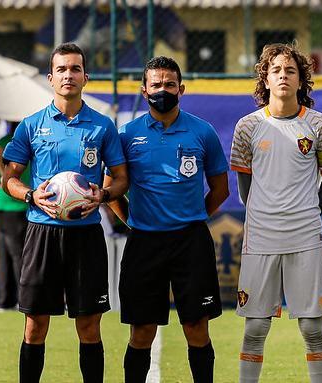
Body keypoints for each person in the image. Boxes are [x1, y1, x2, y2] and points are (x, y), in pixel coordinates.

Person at [1, 43, 129, 383]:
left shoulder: (102, 126)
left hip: (86, 235)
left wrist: (103, 194)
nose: (68, 75)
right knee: (35, 325)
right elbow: (8, 178)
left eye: (75, 69)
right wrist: (30, 195)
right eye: (61, 69)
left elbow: (121, 178)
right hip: (42, 233)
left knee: (88, 325)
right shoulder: (31, 125)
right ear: (50, 78)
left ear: (86, 77)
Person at [104, 56, 230, 383]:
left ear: (181, 89)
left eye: (170, 85)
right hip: (144, 243)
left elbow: (220, 189)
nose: (163, 90)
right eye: (156, 85)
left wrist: (193, 217)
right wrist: (132, 221)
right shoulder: (126, 134)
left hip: (191, 242)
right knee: (142, 331)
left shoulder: (203, 132)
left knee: (196, 327)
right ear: (144, 90)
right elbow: (111, 188)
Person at [230, 43, 322, 383]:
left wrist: (305, 213)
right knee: (256, 326)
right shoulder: (247, 126)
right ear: (265, 79)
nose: (283, 76)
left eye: (290, 71)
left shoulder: (319, 124)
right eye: (276, 70)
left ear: (301, 80)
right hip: (261, 237)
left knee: (312, 327)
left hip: (305, 235)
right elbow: (245, 188)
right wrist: (265, 214)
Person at [0, 126, 29, 309]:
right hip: (12, 203)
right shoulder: (13, 139)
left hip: (1, 203)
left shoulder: (10, 138)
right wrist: (5, 176)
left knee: (6, 253)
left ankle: (5, 300)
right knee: (19, 253)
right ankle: (24, 298)